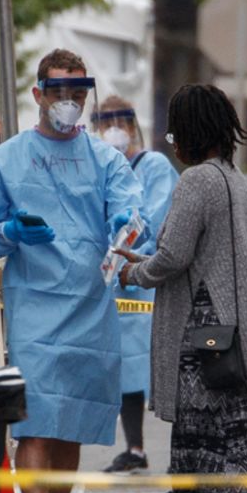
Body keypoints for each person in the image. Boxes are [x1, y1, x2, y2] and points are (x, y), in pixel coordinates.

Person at [0, 48, 144, 493]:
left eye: (77, 92)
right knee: (37, 422)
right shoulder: (5, 162)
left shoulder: (106, 162)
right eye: (57, 91)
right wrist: (9, 234)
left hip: (90, 309)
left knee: (70, 428)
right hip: (36, 307)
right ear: (37, 94)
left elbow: (131, 216)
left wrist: (125, 232)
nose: (68, 102)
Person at [116, 84, 247, 493]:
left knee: (201, 447)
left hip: (204, 335)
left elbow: (176, 256)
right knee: (225, 446)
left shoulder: (195, 182)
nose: (171, 142)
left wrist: (132, 273)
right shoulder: (234, 178)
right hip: (238, 326)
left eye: (173, 131)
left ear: (188, 133)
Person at [93, 96, 180, 473]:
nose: (113, 129)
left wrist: (127, 253)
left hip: (146, 280)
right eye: (104, 122)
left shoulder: (154, 166)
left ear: (133, 125)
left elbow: (156, 218)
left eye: (119, 121)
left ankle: (186, 450)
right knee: (125, 368)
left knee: (159, 366)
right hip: (114, 283)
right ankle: (135, 448)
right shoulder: (100, 169)